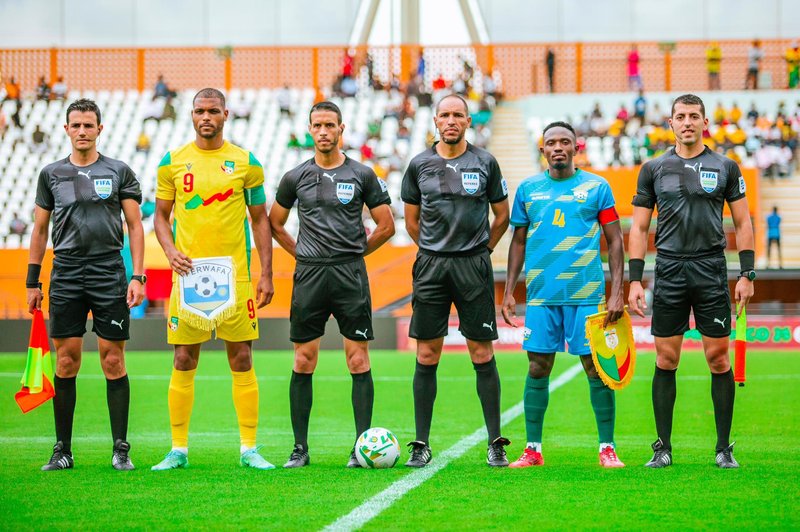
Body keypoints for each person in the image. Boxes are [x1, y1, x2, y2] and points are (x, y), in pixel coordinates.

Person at [151, 88, 275, 471]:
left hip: (235, 278)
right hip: (188, 278)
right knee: (184, 358)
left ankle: (250, 448)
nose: (206, 117)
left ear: (226, 114)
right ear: (192, 115)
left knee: (241, 357)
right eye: (200, 111)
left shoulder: (245, 162)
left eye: (213, 111)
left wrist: (265, 272)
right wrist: (170, 252)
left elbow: (259, 220)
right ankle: (178, 449)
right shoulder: (172, 163)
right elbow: (160, 216)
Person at [628, 94, 755, 469]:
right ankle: (663, 447)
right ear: (671, 123)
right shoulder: (653, 168)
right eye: (680, 116)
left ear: (704, 123)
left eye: (693, 116)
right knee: (667, 359)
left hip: (711, 269)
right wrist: (635, 281)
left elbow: (744, 223)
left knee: (718, 359)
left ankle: (722, 448)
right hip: (668, 270)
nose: (687, 122)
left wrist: (747, 274)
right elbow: (638, 226)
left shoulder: (726, 166)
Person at [269, 101, 395, 468]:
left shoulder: (363, 174)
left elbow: (386, 225)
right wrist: (301, 254)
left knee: (357, 359)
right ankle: (300, 449)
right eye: (317, 125)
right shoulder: (295, 177)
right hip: (309, 275)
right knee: (304, 359)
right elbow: (275, 223)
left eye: (329, 125)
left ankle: (361, 447)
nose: (323, 131)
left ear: (342, 128)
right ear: (310, 130)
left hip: (349, 275)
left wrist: (356, 253)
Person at [26, 98, 145, 471]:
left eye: (88, 125)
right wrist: (33, 280)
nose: (82, 131)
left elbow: (135, 226)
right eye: (75, 125)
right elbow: (40, 229)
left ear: (99, 129)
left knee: (113, 359)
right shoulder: (51, 174)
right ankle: (62, 450)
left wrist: (138, 275)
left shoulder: (119, 171)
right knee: (66, 361)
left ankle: (120, 450)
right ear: (66, 129)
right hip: (66, 273)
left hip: (108, 271)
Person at [501, 121, 626, 468]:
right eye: (551, 142)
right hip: (541, 295)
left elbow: (615, 241)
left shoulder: (597, 187)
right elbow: (518, 241)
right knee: (538, 367)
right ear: (543, 150)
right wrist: (510, 292)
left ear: (576, 147)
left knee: (595, 368)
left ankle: (607, 448)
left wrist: (618, 293)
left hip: (587, 294)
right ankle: (533, 450)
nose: (558, 147)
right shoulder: (528, 190)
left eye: (564, 142)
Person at [401, 93, 511, 468]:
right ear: (435, 120)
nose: (451, 120)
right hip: (431, 268)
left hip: (472, 268)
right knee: (427, 353)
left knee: (481, 352)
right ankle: (421, 442)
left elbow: (501, 216)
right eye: (445, 114)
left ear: (468, 121)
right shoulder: (419, 165)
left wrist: (481, 250)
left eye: (458, 115)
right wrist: (434, 249)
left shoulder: (485, 162)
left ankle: (495, 441)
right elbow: (412, 222)